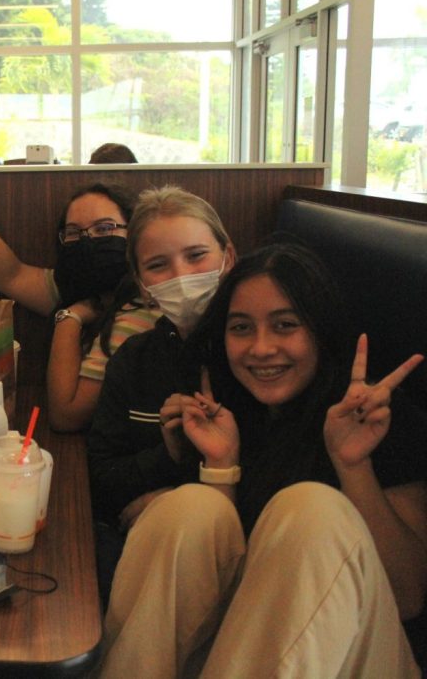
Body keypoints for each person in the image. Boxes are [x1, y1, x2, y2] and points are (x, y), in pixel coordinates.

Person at [99, 243, 427, 676]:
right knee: (190, 508)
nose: (261, 348)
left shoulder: (378, 418)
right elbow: (228, 589)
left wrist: (352, 467)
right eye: (241, 328)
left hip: (358, 656)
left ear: (321, 330)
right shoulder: (231, 411)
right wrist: (219, 465)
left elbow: (406, 597)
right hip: (250, 657)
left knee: (312, 509)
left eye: (285, 325)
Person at [0, 183, 161, 430]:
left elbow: (65, 416)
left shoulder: (137, 314)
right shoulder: (82, 291)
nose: (88, 241)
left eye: (104, 229)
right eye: (74, 232)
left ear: (134, 233)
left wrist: (70, 317)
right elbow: (11, 275)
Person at [85, 185, 236, 608]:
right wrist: (167, 456)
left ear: (229, 259)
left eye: (196, 256)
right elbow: (99, 475)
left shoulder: (257, 358)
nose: (182, 277)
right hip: (141, 548)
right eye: (158, 265)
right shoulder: (133, 360)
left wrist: (175, 500)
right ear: (142, 285)